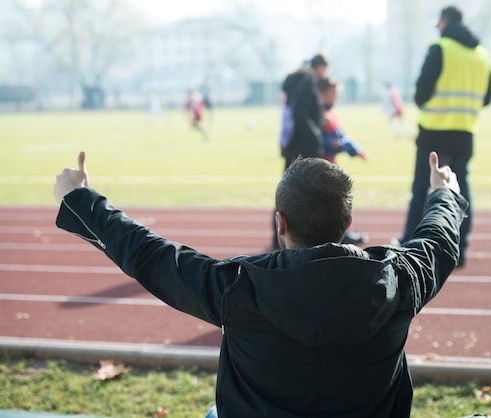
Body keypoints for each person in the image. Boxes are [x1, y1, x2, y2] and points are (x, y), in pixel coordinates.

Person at [54, 150, 467, 418]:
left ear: (280, 222)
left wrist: (80, 198)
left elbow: (151, 255)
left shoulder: (237, 286)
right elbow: (439, 240)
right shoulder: (400, 278)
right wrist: (443, 193)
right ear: (347, 224)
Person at [399, 5, 491, 268]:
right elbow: (486, 98)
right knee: (462, 189)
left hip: (434, 131)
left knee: (421, 188)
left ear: (444, 22)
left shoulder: (440, 48)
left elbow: (421, 93)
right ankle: (459, 249)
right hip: (464, 131)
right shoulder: (482, 55)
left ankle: (410, 244)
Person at [272, 53, 329, 249]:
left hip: (293, 145)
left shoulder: (297, 81)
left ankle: (281, 236)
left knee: (288, 190)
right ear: (320, 67)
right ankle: (290, 239)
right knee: (300, 191)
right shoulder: (307, 82)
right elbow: (300, 113)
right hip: (304, 147)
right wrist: (315, 136)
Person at [318, 76, 369, 245]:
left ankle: (342, 231)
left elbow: (339, 137)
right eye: (334, 93)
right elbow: (324, 141)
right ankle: (341, 233)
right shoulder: (319, 115)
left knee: (338, 198)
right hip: (321, 165)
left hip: (330, 163)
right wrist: (335, 144)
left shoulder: (330, 114)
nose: (336, 97)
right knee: (335, 198)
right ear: (323, 93)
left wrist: (353, 149)